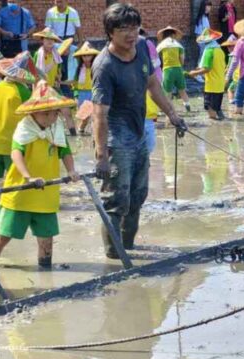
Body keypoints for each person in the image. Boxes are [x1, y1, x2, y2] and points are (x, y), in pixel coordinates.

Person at [91, 3, 186, 258]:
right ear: (110, 32)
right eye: (123, 29)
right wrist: (101, 156)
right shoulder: (104, 66)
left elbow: (153, 84)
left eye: (134, 28)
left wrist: (173, 114)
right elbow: (98, 113)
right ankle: (114, 256)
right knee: (115, 200)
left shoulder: (143, 48)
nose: (131, 34)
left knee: (137, 195)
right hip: (115, 139)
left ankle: (129, 247)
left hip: (139, 134)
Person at [0, 81, 79, 269]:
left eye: (53, 113)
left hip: (46, 192)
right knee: (3, 236)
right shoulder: (24, 128)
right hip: (21, 193)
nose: (50, 117)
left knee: (46, 240)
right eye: (45, 113)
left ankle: (45, 273)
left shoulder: (57, 128)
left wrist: (71, 171)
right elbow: (16, 153)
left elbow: (65, 152)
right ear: (33, 112)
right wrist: (28, 177)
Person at [0, 52, 37, 189]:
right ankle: (8, 203)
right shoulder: (22, 91)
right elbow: (32, 114)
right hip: (11, 141)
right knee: (13, 175)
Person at [45, 0, 84, 101]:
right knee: (54, 68)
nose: (59, 3)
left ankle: (68, 95)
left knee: (68, 69)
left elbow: (78, 29)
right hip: (54, 43)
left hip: (68, 42)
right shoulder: (50, 12)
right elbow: (48, 31)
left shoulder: (73, 12)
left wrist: (80, 44)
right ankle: (54, 93)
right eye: (57, 1)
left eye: (61, 1)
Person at [188, 29, 227, 120]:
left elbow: (207, 68)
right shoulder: (219, 50)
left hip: (212, 85)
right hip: (220, 83)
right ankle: (219, 114)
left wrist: (195, 73)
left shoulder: (209, 51)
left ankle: (214, 128)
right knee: (216, 105)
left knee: (209, 107)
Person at [157, 26, 192, 113]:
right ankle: (187, 107)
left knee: (167, 92)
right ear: (173, 34)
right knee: (182, 90)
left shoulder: (162, 45)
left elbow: (155, 57)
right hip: (178, 70)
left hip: (167, 70)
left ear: (164, 35)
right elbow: (182, 60)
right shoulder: (179, 45)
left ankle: (168, 109)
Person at [72, 41, 99, 134]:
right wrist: (76, 95)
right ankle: (81, 129)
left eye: (88, 55)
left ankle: (94, 131)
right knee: (84, 116)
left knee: (94, 114)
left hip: (93, 92)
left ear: (93, 56)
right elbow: (75, 83)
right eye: (84, 56)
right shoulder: (79, 68)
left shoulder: (96, 68)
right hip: (81, 93)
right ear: (81, 57)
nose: (86, 58)